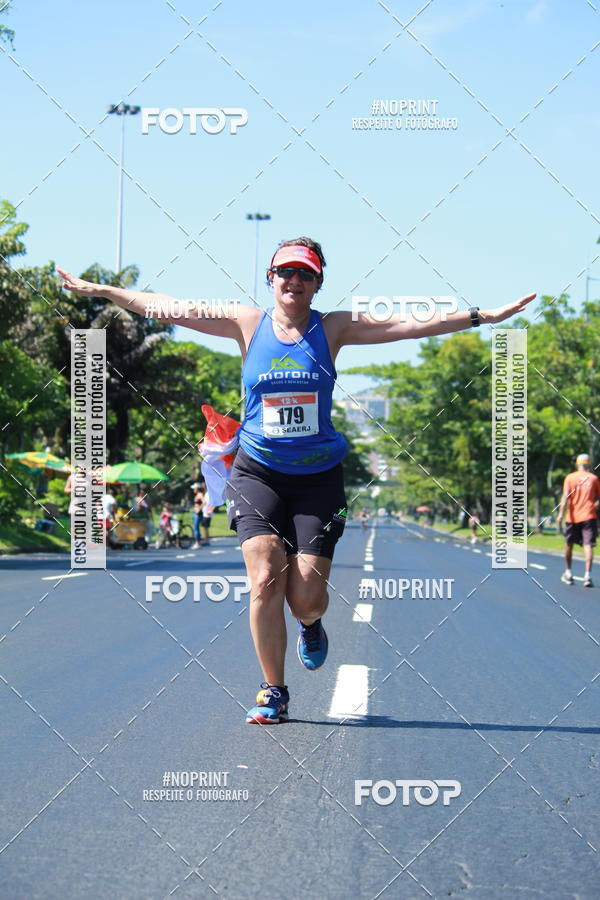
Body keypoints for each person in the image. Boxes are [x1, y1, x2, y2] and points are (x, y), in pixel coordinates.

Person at [57, 242, 535, 724]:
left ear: (317, 283)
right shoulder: (246, 322)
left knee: (304, 596)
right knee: (264, 576)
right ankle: (273, 690)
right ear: (271, 277)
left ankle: (311, 623)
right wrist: (103, 290)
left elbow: (408, 325)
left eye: (304, 275)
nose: (294, 281)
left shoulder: (333, 328)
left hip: (318, 478)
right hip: (256, 470)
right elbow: (170, 308)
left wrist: (481, 317)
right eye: (285, 272)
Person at [557, 453, 600, 587]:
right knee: (588, 545)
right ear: (589, 464)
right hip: (589, 516)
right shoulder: (594, 479)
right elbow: (598, 499)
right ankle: (587, 576)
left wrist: (560, 514)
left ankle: (568, 573)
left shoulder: (570, 478)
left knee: (569, 544)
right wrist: (595, 507)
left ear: (577, 464)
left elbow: (565, 497)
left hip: (572, 517)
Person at [191, 482, 204, 549]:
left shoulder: (200, 494)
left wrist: (199, 508)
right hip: (195, 513)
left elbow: (204, 502)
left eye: (194, 488)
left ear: (197, 488)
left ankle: (197, 543)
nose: (193, 489)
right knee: (195, 528)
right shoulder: (196, 495)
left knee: (196, 528)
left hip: (198, 514)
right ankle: (197, 541)